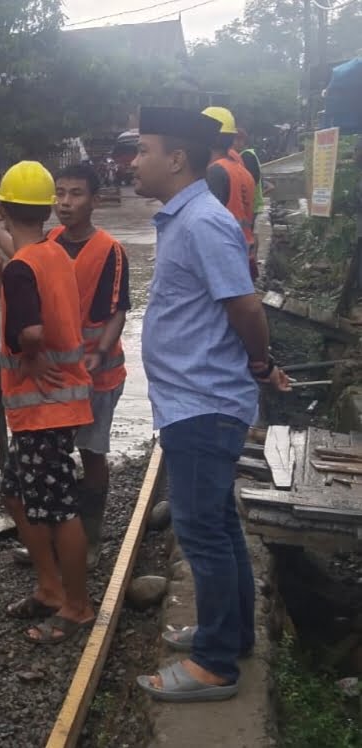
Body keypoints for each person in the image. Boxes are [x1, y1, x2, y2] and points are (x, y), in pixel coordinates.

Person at [130, 106, 289, 703]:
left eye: (144, 150)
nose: (133, 161)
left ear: (176, 158)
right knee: (218, 526)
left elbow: (245, 307)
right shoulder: (185, 219)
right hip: (193, 400)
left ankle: (215, 665)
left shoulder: (202, 222)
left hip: (203, 403)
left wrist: (259, 364)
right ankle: (232, 633)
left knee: (200, 531)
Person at [0, 163, 131, 569]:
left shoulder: (109, 249)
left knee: (90, 456)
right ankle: (59, 545)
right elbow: (23, 260)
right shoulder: (53, 244)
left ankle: (88, 541)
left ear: (95, 200)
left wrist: (99, 352)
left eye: (76, 194)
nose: (66, 203)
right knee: (54, 471)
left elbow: (118, 310)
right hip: (61, 376)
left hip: (93, 373)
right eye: (59, 194)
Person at [0, 161, 96, 646]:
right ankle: (49, 589)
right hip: (51, 407)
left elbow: (29, 328)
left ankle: (78, 606)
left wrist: (29, 357)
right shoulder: (52, 255)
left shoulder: (26, 268)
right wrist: (2, 278)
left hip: (44, 406)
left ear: (5, 207)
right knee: (14, 493)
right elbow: (28, 280)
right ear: (47, 209)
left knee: (59, 510)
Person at [203, 106, 258, 280]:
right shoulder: (242, 171)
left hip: (224, 259)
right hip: (242, 251)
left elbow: (207, 228)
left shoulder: (215, 173)